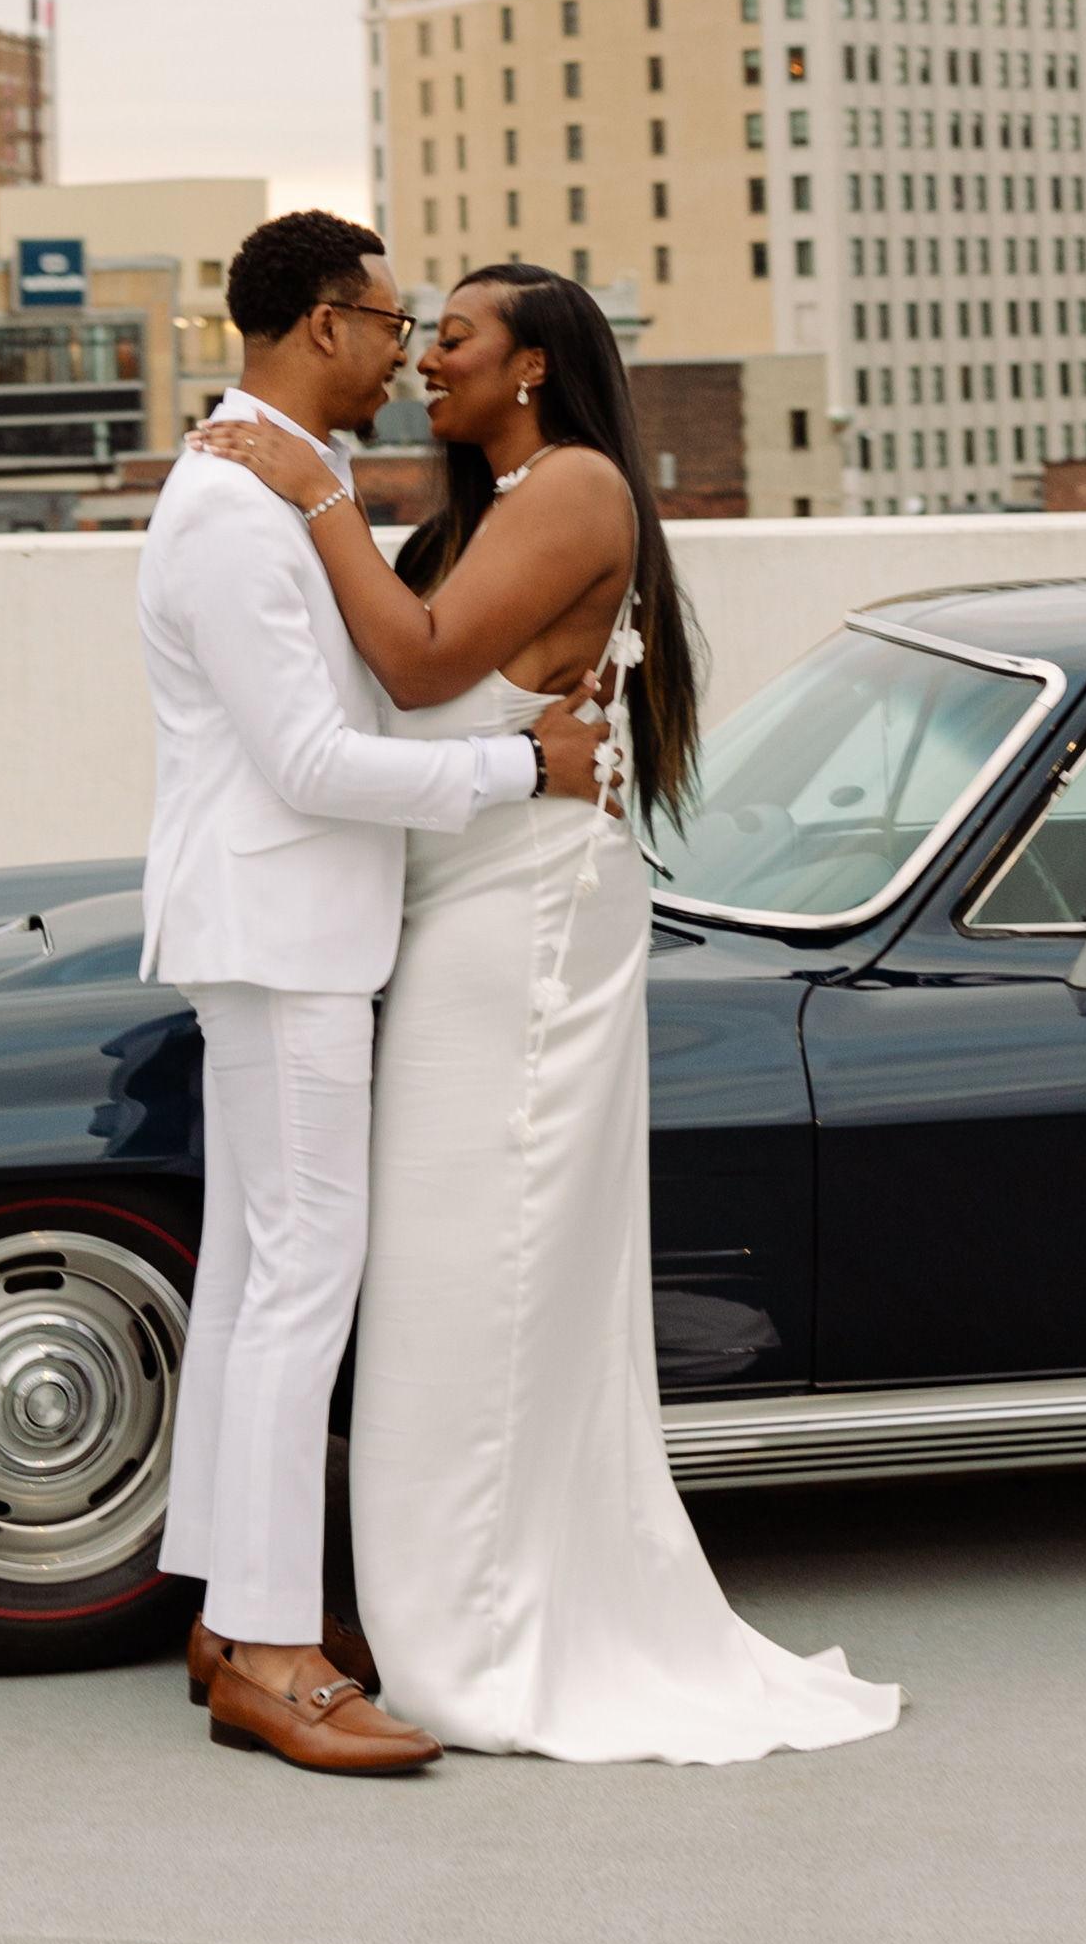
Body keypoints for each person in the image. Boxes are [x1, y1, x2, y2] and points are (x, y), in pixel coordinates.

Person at [201, 263, 899, 1768]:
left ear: (532, 366)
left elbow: (416, 666)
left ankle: (482, 1628)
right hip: (455, 909)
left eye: (455, 338)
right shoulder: (476, 515)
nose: (428, 360)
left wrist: (314, 492)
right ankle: (412, 1603)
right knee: (435, 1277)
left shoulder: (577, 487)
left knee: (485, 1273)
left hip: (523, 922)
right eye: (418, 333)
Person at [136, 209, 611, 1778]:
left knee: (257, 1273)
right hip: (285, 932)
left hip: (277, 925)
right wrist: (521, 768)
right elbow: (310, 761)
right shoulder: (238, 505)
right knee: (301, 1280)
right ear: (324, 324)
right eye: (393, 323)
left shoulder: (272, 486)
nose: (405, 353)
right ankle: (275, 1653)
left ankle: (229, 1617)